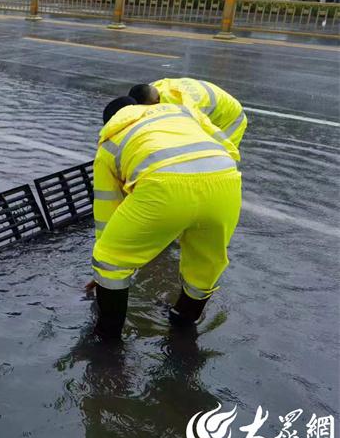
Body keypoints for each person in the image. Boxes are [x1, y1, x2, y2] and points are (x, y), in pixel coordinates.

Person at [90, 96, 242, 339]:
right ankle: (183, 321)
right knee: (205, 263)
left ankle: (107, 338)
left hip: (162, 188)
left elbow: (107, 212)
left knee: (110, 260)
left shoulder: (109, 142)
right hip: (225, 180)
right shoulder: (183, 112)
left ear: (110, 120)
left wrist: (101, 270)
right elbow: (229, 148)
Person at [128, 78, 247, 147]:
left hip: (230, 117)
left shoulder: (183, 106)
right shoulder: (153, 87)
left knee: (221, 158)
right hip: (211, 101)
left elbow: (187, 136)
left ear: (156, 101)